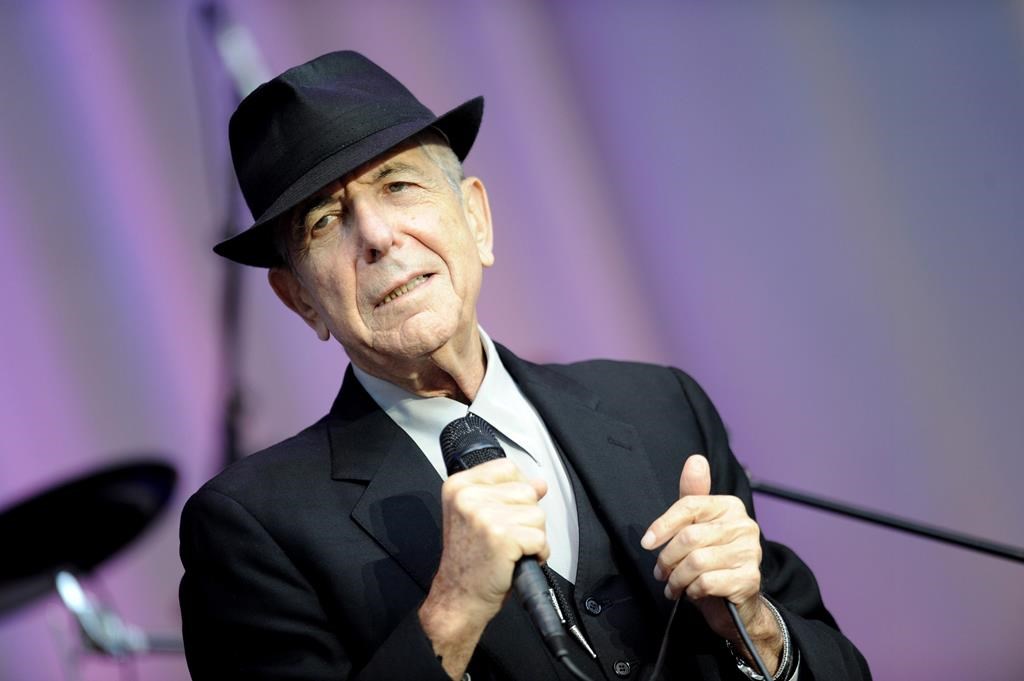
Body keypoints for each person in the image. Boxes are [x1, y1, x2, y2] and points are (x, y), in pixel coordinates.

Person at [179, 50, 871, 681]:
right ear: (300, 298)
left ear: (476, 219)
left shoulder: (659, 409)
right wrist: (450, 612)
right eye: (326, 221)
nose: (379, 235)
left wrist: (755, 627)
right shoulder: (253, 529)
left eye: (398, 185)